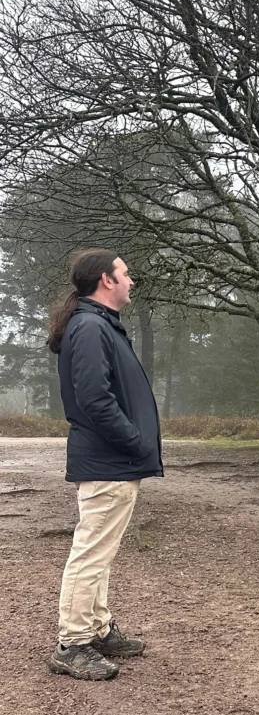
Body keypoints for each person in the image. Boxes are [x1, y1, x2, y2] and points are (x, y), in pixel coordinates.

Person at [44, 249, 162, 681]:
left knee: (100, 552)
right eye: (126, 274)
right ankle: (72, 644)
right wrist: (133, 441)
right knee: (91, 554)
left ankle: (97, 628)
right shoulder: (92, 327)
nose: (131, 281)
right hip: (109, 460)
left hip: (113, 461)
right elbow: (95, 400)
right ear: (106, 281)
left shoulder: (97, 324)